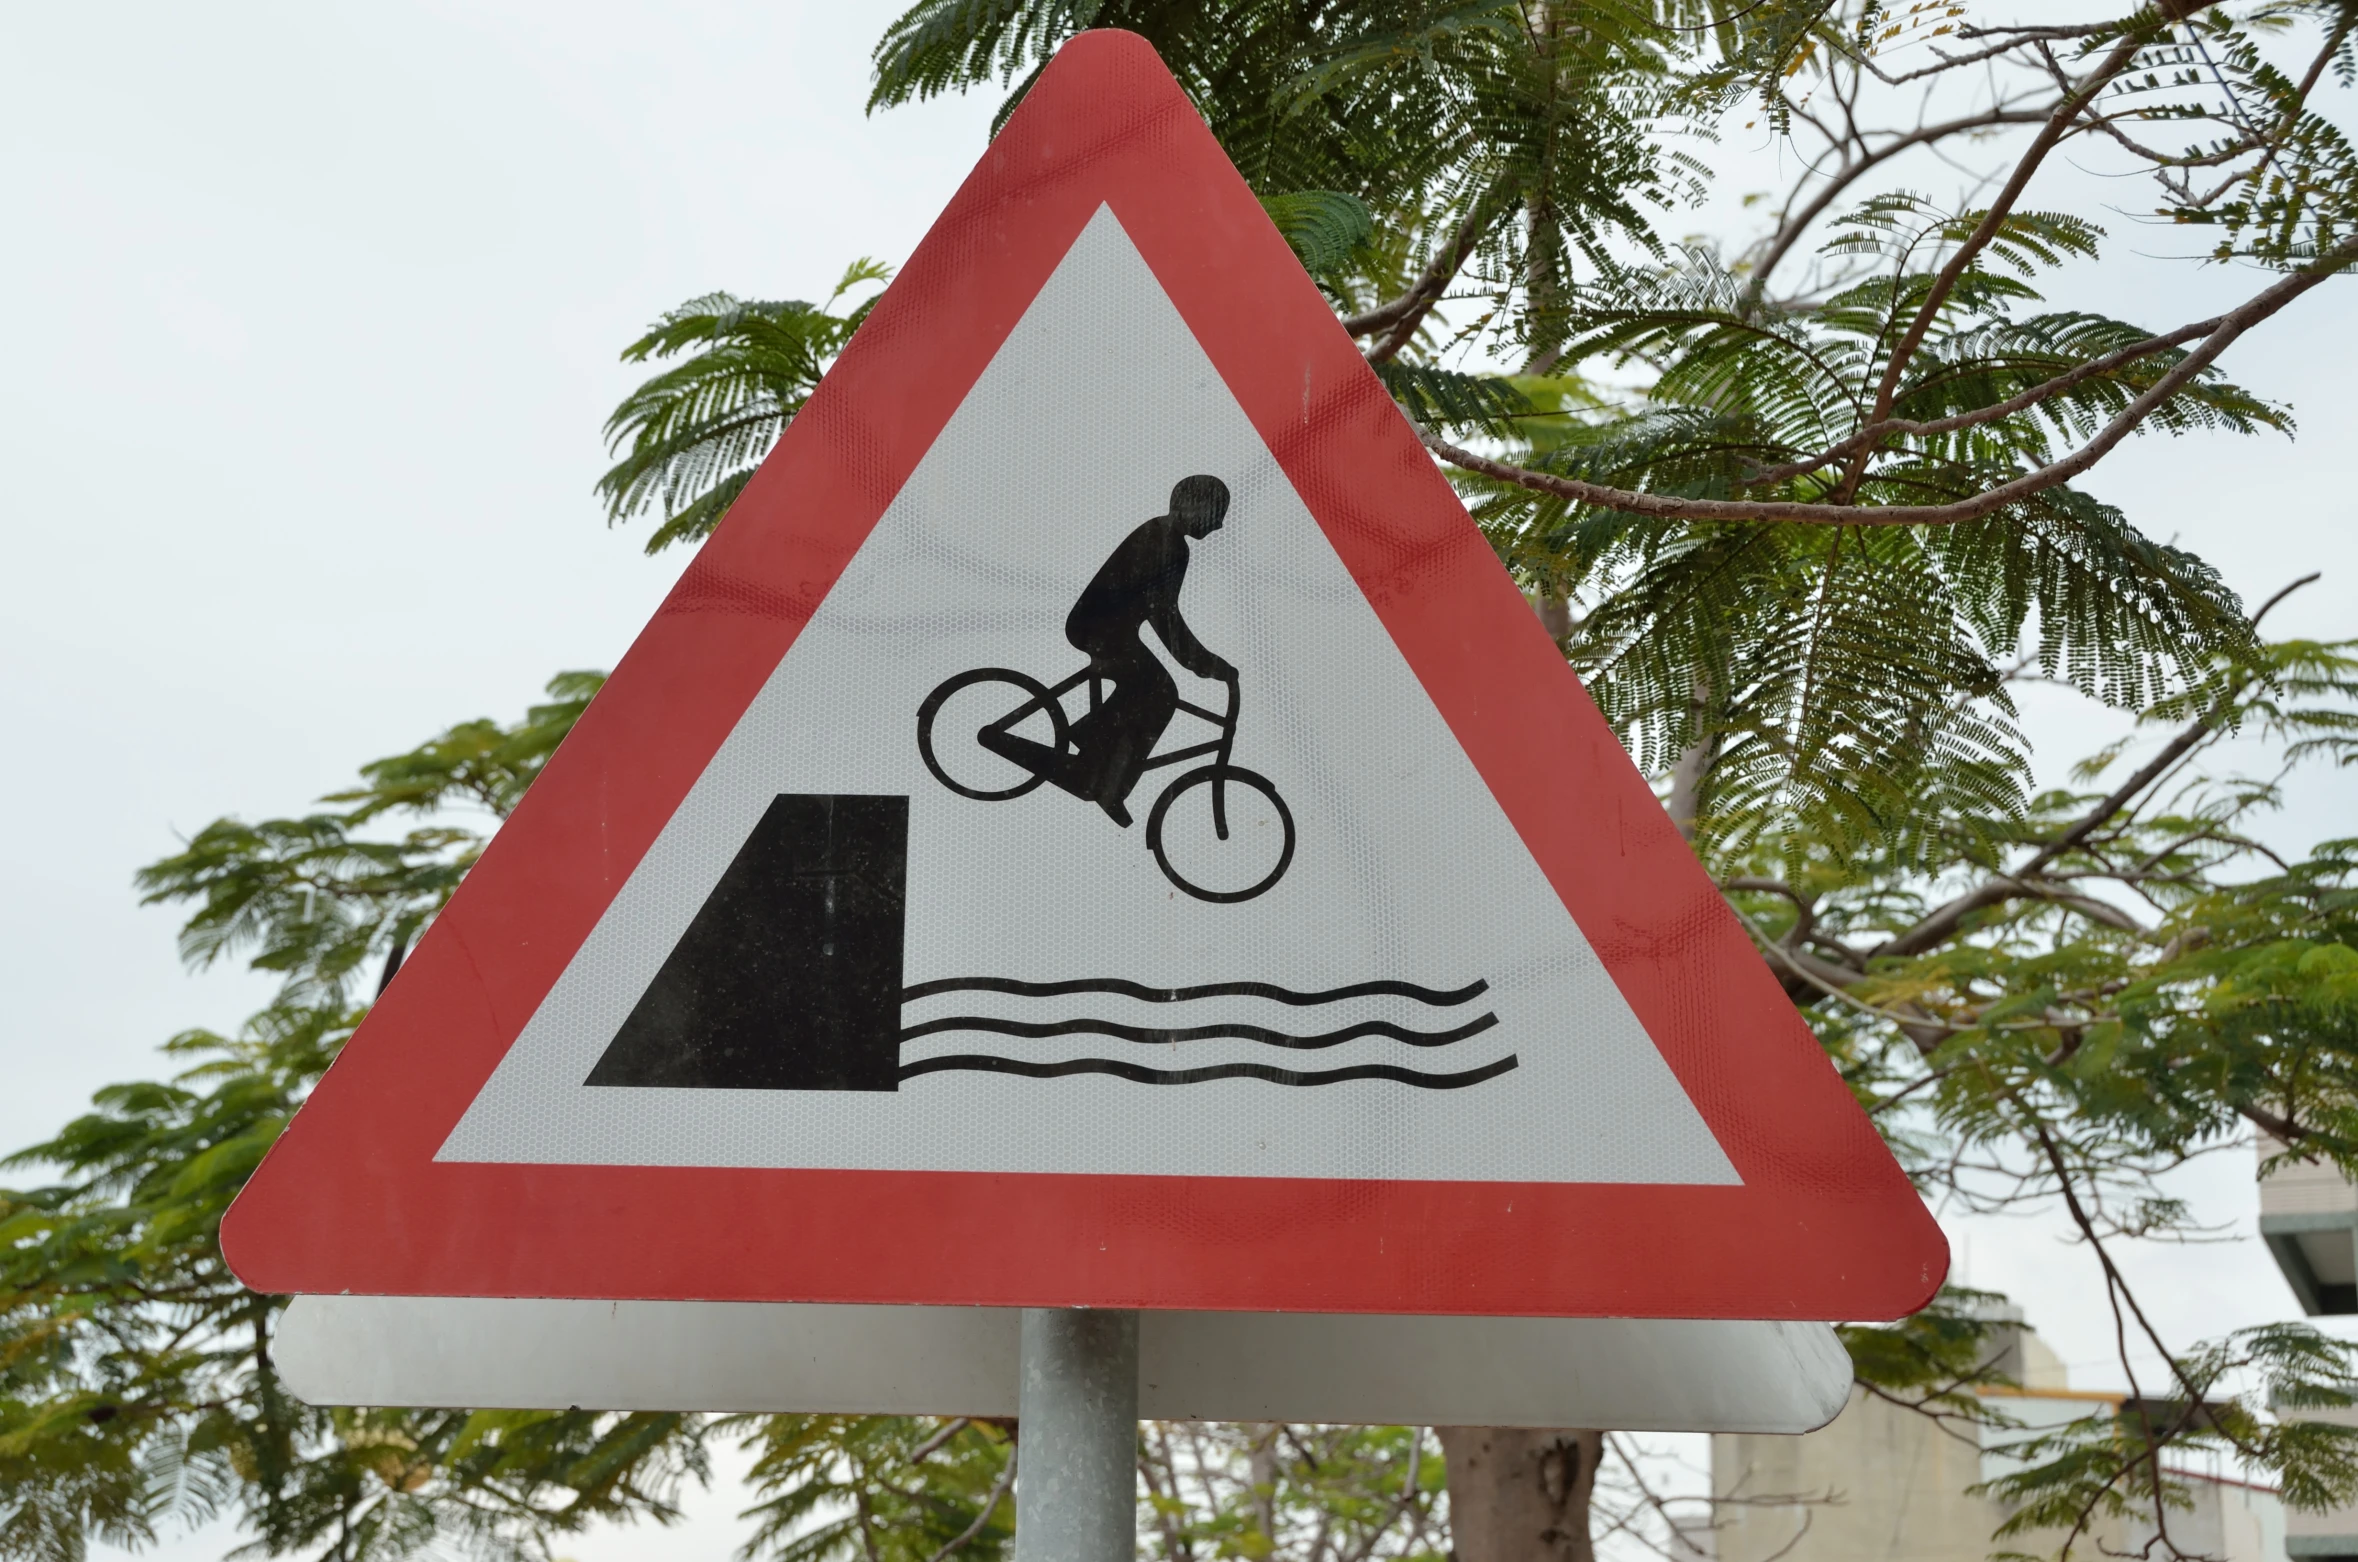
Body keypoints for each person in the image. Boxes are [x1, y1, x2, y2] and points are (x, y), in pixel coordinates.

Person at [985, 475, 1235, 826]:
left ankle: (1096, 746)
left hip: (1111, 628)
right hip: (1100, 629)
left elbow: (1163, 612)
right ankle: (1099, 762)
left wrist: (1200, 661)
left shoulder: (1168, 539)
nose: (1220, 523)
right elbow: (1162, 614)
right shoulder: (1164, 542)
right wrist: (1202, 662)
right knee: (1160, 690)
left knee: (1153, 688)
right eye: (1216, 512)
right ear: (1194, 507)